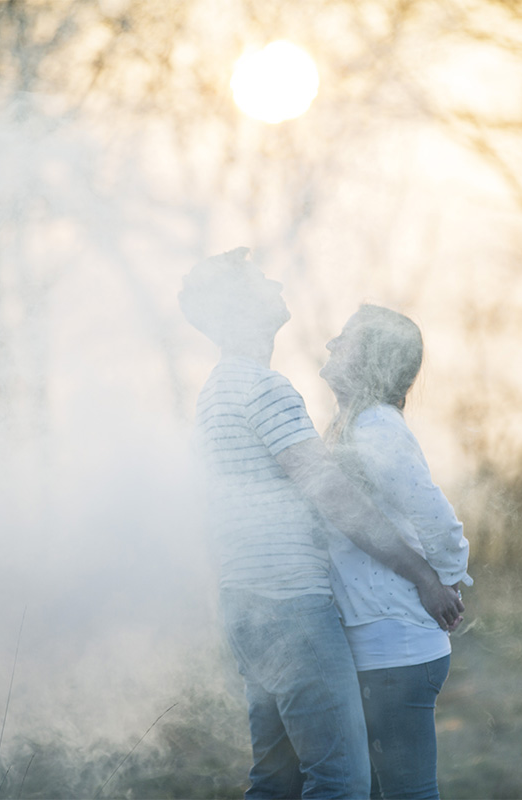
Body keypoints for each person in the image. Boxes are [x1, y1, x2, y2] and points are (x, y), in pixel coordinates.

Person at [179, 249, 464, 799]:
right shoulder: (265, 389)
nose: (275, 282)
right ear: (240, 307)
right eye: (261, 280)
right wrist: (426, 577)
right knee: (340, 781)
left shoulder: (216, 391)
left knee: (276, 780)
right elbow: (334, 497)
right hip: (290, 608)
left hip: (248, 605)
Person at [320, 305, 473, 800]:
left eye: (345, 338)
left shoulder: (376, 428)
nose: (331, 344)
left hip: (394, 647)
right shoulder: (351, 427)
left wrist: (443, 581)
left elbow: (438, 520)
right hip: (379, 644)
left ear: (372, 359)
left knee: (408, 794)